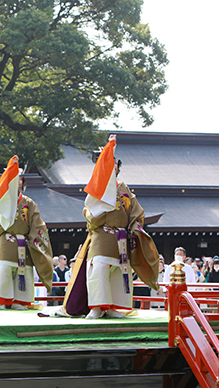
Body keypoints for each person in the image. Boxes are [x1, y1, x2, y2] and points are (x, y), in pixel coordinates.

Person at [64, 135, 159, 319]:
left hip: (121, 238)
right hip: (102, 235)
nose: (112, 165)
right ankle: (97, 307)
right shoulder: (97, 187)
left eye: (115, 163)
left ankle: (114, 307)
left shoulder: (124, 187)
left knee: (118, 273)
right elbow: (89, 211)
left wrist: (135, 228)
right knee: (98, 269)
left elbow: (135, 211)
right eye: (109, 162)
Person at [0, 162, 54, 310]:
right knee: (5, 269)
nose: (18, 182)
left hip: (24, 241)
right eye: (14, 179)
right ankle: (2, 301)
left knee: (23, 271)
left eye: (20, 179)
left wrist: (32, 239)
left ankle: (20, 301)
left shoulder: (29, 202)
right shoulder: (3, 200)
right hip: (7, 239)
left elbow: (37, 223)